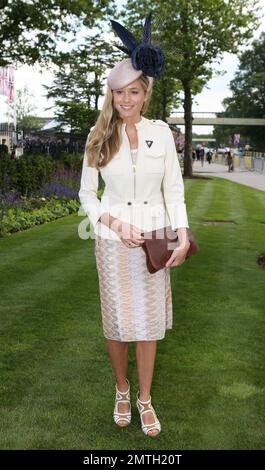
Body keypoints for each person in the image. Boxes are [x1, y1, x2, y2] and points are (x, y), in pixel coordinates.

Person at [78, 12, 190, 438]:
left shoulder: (161, 134)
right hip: (111, 241)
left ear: (146, 95)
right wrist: (116, 224)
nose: (126, 99)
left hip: (155, 240)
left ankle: (144, 398)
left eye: (135, 92)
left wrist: (181, 235)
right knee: (117, 323)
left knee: (147, 325)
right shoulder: (98, 135)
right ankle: (121, 389)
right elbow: (88, 195)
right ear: (112, 95)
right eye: (119, 92)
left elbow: (174, 191)